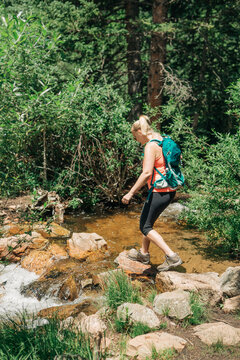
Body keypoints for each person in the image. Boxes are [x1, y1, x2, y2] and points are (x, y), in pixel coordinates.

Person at [121, 115, 183, 271]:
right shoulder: (162, 138)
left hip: (159, 191)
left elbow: (147, 173)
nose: (136, 141)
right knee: (148, 222)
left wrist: (130, 193)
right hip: (169, 190)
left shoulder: (150, 146)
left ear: (140, 132)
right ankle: (144, 253)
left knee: (145, 227)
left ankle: (171, 256)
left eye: (136, 137)